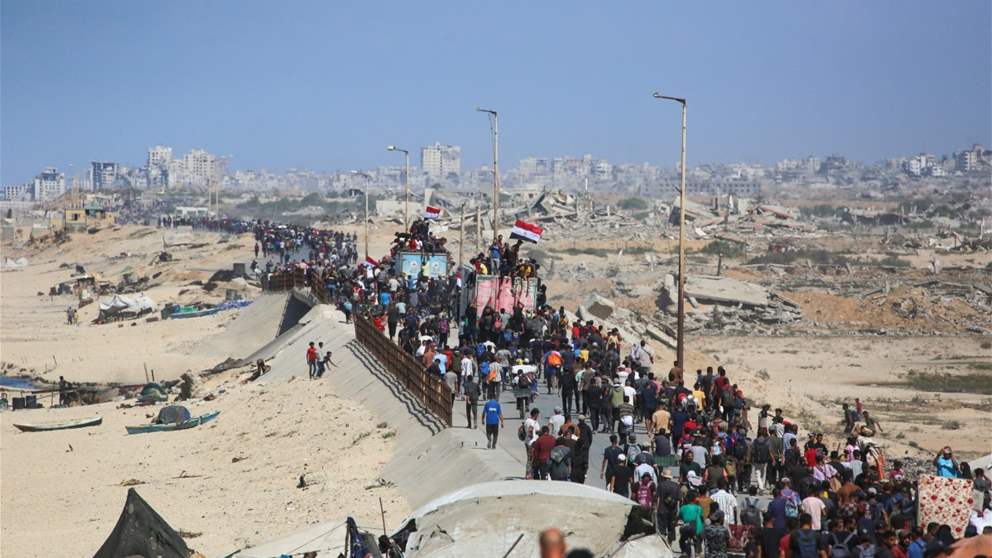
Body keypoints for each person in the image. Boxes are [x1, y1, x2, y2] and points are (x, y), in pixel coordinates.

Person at [679, 491, 705, 556]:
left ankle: (684, 552)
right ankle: (697, 553)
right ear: (694, 499)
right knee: (698, 540)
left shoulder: (683, 508)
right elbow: (701, 518)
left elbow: (680, 517)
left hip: (686, 528)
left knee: (682, 540)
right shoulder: (699, 508)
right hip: (697, 529)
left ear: (686, 499)